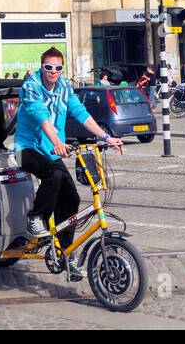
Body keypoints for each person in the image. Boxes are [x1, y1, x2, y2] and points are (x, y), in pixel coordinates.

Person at [14, 47, 121, 281]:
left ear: (62, 69)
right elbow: (41, 115)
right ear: (42, 67)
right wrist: (57, 142)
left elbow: (81, 114)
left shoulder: (64, 87)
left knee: (71, 200)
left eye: (58, 68)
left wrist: (106, 137)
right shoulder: (31, 86)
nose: (53, 72)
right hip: (26, 149)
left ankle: (66, 253)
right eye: (48, 68)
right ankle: (35, 219)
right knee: (53, 176)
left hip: (51, 152)